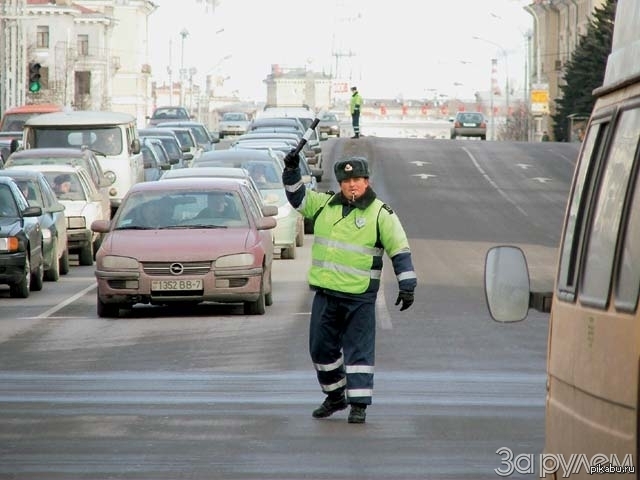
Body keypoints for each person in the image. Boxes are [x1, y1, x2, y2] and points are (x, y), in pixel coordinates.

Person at [281, 151, 417, 424]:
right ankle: (335, 396)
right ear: (340, 183)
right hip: (326, 294)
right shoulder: (324, 204)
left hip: (359, 297)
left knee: (359, 353)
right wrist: (291, 170)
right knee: (320, 350)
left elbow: (399, 249)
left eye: (357, 179)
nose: (352, 184)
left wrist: (407, 284)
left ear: (366, 181)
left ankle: (359, 406)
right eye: (346, 180)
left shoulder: (381, 213)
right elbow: (298, 197)